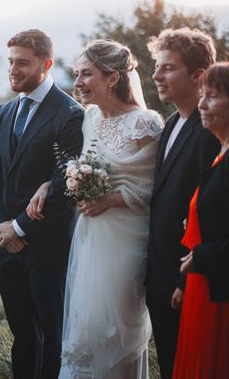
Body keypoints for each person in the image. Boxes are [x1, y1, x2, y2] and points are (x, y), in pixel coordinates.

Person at [37, 39, 163, 378]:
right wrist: (56, 183)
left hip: (127, 242)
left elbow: (156, 188)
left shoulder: (145, 123)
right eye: (77, 75)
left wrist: (109, 199)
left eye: (87, 74)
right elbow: (77, 165)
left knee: (117, 328)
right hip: (90, 237)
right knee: (86, 320)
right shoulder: (89, 119)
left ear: (112, 78)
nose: (78, 83)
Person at [0, 29, 84, 378]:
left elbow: (65, 184)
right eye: (10, 61)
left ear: (46, 64)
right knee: (22, 335)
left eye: (22, 63)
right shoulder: (4, 112)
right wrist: (3, 228)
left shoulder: (70, 114)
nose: (13, 69)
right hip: (7, 247)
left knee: (51, 336)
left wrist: (21, 227)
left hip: (47, 247)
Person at [146, 28, 219, 378]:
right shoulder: (172, 122)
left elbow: (211, 214)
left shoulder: (210, 133)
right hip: (159, 275)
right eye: (157, 67)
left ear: (198, 76)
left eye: (168, 68)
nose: (157, 76)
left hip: (187, 279)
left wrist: (185, 280)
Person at [172, 63, 229, 378]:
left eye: (213, 96)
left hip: (220, 299)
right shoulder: (220, 154)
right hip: (200, 289)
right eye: (202, 95)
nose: (202, 104)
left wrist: (203, 257)